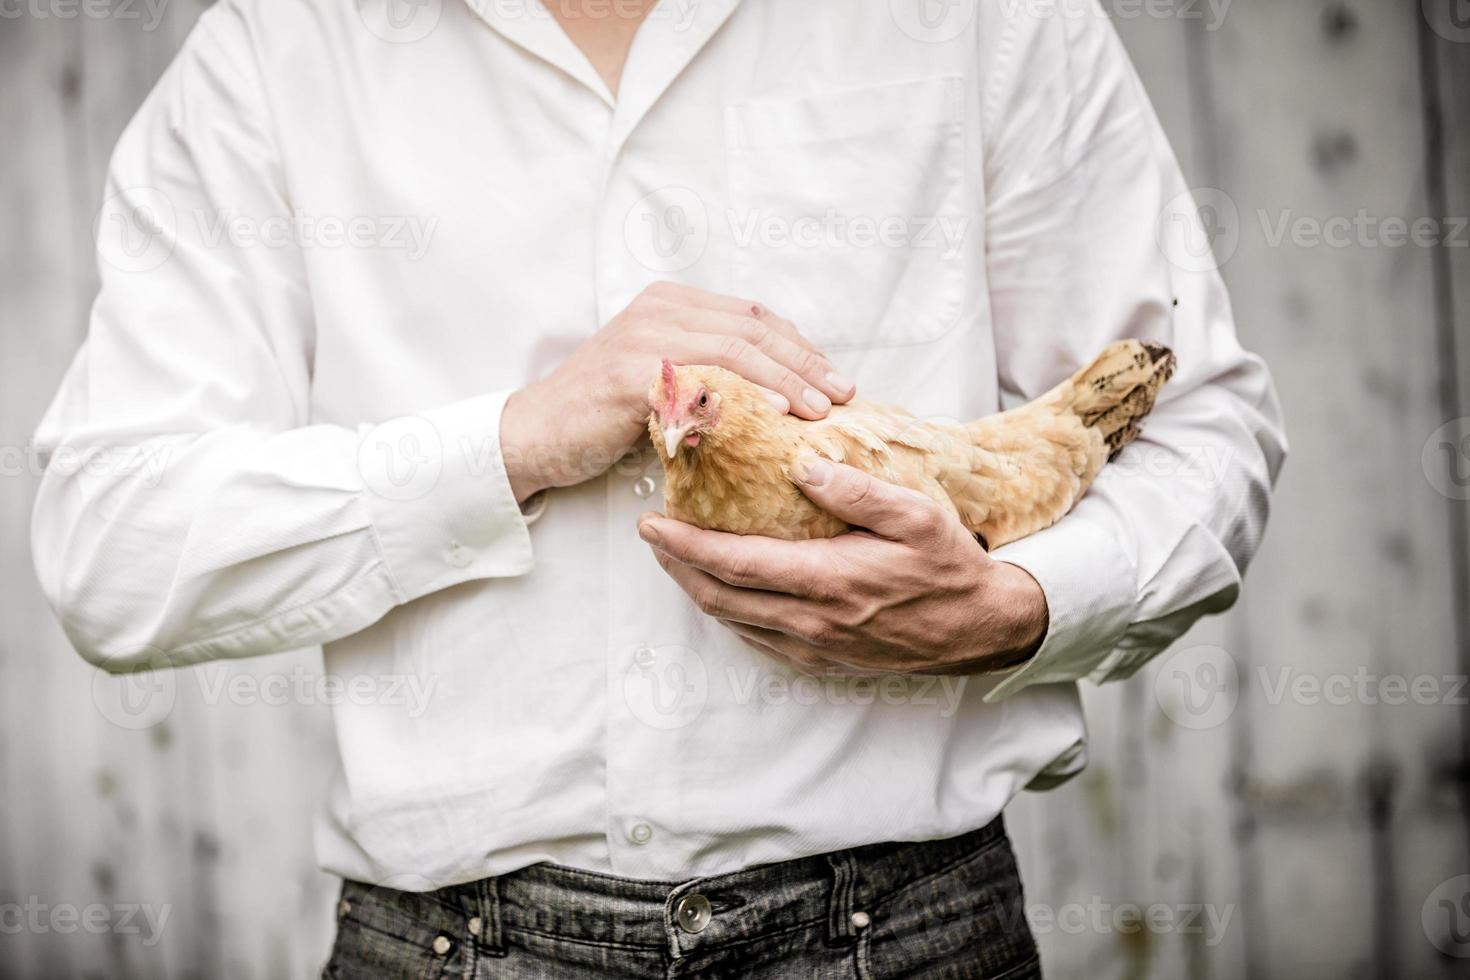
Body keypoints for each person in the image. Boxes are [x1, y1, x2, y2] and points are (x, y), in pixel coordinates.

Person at [31, 0, 1285, 976]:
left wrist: (1017, 606)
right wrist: (512, 443)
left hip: (901, 927)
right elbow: (112, 540)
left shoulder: (979, 16)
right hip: (454, 945)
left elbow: (1197, 426)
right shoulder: (279, 50)